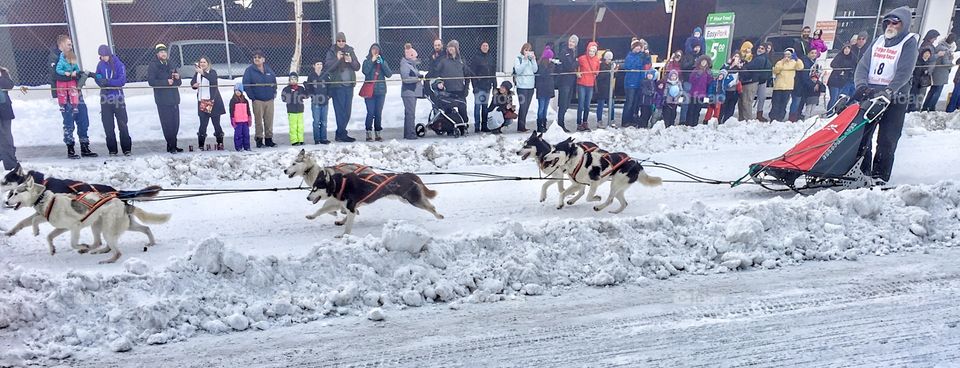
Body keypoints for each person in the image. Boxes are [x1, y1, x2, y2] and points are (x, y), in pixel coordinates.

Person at [854, 6, 920, 185]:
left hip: (896, 97)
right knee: (862, 136)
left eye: (895, 23)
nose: (890, 26)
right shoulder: (878, 41)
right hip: (872, 94)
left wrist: (890, 91)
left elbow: (904, 71)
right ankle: (862, 171)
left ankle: (880, 175)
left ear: (903, 25)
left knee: (887, 139)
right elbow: (863, 65)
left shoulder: (909, 42)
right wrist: (861, 85)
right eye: (888, 22)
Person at [50, 35, 97, 159]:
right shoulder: (55, 57)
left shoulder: (71, 55)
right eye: (68, 44)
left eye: (71, 44)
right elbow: (56, 76)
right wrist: (73, 75)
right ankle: (70, 147)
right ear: (61, 45)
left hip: (76, 92)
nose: (71, 46)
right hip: (65, 95)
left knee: (83, 118)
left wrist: (81, 74)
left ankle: (84, 146)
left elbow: (75, 69)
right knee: (69, 121)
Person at [94, 45, 131, 156]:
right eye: (101, 56)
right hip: (105, 99)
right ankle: (112, 149)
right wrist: (100, 80)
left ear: (109, 54)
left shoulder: (119, 65)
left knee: (123, 124)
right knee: (108, 126)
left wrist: (108, 82)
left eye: (105, 55)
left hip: (118, 98)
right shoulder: (100, 65)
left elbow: (122, 81)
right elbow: (98, 77)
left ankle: (126, 148)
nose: (103, 58)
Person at [324, 32, 361, 142]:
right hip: (337, 86)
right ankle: (342, 134)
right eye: (339, 41)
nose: (341, 43)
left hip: (349, 85)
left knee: (347, 111)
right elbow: (328, 67)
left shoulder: (350, 50)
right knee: (340, 111)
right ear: (336, 41)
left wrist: (351, 61)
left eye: (343, 41)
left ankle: (340, 133)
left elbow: (357, 66)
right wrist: (337, 59)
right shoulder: (331, 51)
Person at [147, 43, 183, 154]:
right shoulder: (153, 65)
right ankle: (171, 144)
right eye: (161, 52)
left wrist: (178, 78)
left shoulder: (171, 64)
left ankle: (173, 144)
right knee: (167, 123)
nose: (164, 54)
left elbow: (178, 82)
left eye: (165, 52)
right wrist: (165, 82)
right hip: (162, 99)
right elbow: (151, 81)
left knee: (175, 123)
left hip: (173, 98)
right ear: (157, 54)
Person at [427, 40, 471, 127]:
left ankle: (463, 125)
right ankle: (450, 127)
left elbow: (467, 75)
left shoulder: (461, 60)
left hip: (460, 89)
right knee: (448, 110)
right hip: (448, 91)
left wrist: (466, 88)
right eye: (449, 47)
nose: (450, 48)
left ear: (456, 48)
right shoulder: (444, 60)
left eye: (452, 47)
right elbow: (436, 73)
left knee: (462, 108)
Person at [242, 50, 278, 148]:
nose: (257, 59)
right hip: (257, 100)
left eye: (259, 57)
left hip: (269, 100)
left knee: (269, 120)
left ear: (263, 59)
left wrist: (274, 92)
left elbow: (274, 82)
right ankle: (259, 139)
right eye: (255, 57)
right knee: (259, 121)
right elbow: (246, 85)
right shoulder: (249, 70)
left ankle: (269, 139)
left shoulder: (268, 69)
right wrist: (252, 98)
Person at [190, 56, 226, 151]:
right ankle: (201, 145)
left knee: (216, 124)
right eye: (201, 62)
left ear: (208, 63)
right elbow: (193, 82)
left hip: (213, 101)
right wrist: (194, 85)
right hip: (203, 101)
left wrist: (203, 73)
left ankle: (220, 142)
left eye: (204, 62)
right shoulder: (197, 73)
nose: (202, 64)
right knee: (203, 124)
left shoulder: (212, 72)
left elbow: (213, 80)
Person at [360, 43, 393, 142]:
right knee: (370, 112)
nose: (375, 52)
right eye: (373, 50)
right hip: (369, 91)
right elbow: (365, 71)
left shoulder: (382, 62)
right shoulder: (366, 62)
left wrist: (382, 63)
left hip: (381, 91)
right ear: (370, 51)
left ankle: (378, 133)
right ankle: (368, 132)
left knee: (378, 113)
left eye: (376, 50)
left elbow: (389, 74)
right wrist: (372, 61)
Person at [922, 33, 956, 111]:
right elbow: (945, 63)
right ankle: (931, 107)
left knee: (932, 90)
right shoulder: (945, 49)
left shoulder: (938, 46)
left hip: (935, 72)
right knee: (937, 92)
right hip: (942, 74)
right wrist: (951, 62)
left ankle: (925, 106)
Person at [623, 39, 652, 127]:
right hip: (630, 82)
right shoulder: (629, 56)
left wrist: (647, 55)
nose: (638, 49)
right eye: (636, 47)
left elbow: (648, 63)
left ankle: (633, 119)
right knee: (629, 102)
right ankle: (625, 120)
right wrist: (639, 59)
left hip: (639, 82)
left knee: (636, 103)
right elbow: (628, 66)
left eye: (639, 47)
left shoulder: (642, 56)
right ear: (633, 48)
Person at [769, 47, 803, 122]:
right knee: (775, 103)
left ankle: (780, 117)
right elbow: (776, 71)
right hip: (778, 86)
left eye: (789, 54)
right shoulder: (779, 62)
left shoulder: (794, 63)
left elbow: (800, 67)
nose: (787, 56)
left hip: (788, 86)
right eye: (786, 54)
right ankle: (773, 117)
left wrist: (797, 59)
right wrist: (783, 62)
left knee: (783, 103)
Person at [556, 35, 579, 131]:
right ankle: (560, 124)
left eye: (573, 42)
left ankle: (561, 122)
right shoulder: (564, 52)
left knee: (566, 104)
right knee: (563, 103)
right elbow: (569, 66)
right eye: (570, 41)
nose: (571, 43)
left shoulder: (573, 52)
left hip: (570, 80)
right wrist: (576, 62)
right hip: (564, 81)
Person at [471, 41, 497, 132]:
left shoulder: (491, 58)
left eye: (487, 45)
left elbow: (493, 73)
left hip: (487, 86)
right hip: (479, 86)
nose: (485, 47)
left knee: (485, 107)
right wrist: (475, 86)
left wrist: (495, 86)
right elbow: (472, 74)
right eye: (483, 45)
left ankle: (484, 126)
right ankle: (477, 126)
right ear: (480, 47)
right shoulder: (476, 58)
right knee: (478, 106)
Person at [399, 44, 423, 140]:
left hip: (412, 91)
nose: (416, 58)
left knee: (409, 113)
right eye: (415, 56)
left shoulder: (410, 65)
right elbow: (405, 79)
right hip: (409, 91)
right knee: (410, 114)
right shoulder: (405, 65)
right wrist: (417, 79)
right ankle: (411, 134)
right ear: (410, 56)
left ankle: (408, 133)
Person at [575, 41, 600, 131]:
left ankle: (585, 122)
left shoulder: (597, 60)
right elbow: (575, 66)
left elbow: (597, 69)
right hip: (582, 83)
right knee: (581, 105)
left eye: (593, 51)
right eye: (590, 51)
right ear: (587, 50)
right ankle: (578, 123)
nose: (591, 53)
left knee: (587, 105)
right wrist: (577, 73)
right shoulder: (582, 58)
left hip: (590, 84)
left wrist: (596, 73)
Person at [304, 61, 330, 144]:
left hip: (325, 101)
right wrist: (311, 94)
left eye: (321, 64)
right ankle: (317, 139)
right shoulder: (311, 76)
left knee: (324, 121)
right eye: (317, 64)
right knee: (316, 121)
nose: (319, 66)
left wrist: (328, 96)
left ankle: (324, 138)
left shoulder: (325, 75)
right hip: (315, 102)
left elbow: (329, 87)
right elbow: (309, 89)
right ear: (314, 65)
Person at [512, 43, 537, 133]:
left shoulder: (530, 60)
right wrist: (525, 60)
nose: (527, 52)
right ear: (522, 50)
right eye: (526, 50)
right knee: (523, 106)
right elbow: (518, 70)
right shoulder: (518, 59)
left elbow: (535, 70)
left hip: (530, 86)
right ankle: (521, 126)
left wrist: (533, 60)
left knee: (527, 106)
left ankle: (523, 124)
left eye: (529, 50)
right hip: (522, 86)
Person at [789, 49, 818, 122]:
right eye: (812, 53)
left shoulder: (812, 62)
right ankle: (793, 116)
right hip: (799, 84)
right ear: (808, 53)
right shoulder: (805, 61)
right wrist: (812, 84)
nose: (814, 55)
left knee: (801, 101)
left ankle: (798, 114)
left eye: (815, 53)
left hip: (804, 85)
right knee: (796, 101)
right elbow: (804, 76)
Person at [281, 72, 308, 145]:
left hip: (300, 110)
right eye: (291, 79)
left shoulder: (300, 88)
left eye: (295, 79)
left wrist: (307, 87)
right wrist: (292, 94)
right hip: (291, 110)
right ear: (289, 80)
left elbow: (306, 96)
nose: (293, 80)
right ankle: (294, 140)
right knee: (293, 126)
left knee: (300, 126)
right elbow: (284, 99)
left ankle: (300, 139)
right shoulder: (286, 89)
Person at [534, 46, 557, 133]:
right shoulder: (541, 65)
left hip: (548, 89)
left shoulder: (550, 65)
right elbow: (544, 75)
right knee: (541, 108)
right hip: (542, 88)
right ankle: (540, 125)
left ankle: (544, 124)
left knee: (545, 108)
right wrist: (551, 66)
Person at [827, 45, 857, 109]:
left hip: (843, 81)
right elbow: (832, 64)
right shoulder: (839, 56)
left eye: (848, 48)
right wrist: (840, 71)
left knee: (838, 99)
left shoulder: (852, 57)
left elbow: (855, 65)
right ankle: (829, 113)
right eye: (845, 48)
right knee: (834, 98)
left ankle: (834, 112)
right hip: (834, 81)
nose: (846, 50)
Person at [0, 66, 19, 169]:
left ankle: (10, 163)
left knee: (6, 135)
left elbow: (9, 85)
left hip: (4, 108)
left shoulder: (3, 72)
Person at [685, 55, 712, 126]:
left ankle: (695, 124)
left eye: (705, 62)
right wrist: (697, 75)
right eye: (702, 61)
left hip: (701, 94)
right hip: (693, 93)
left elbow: (709, 83)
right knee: (691, 110)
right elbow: (691, 80)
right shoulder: (695, 70)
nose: (703, 63)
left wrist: (710, 76)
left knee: (697, 110)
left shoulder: (707, 72)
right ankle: (689, 124)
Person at [752, 43, 774, 121]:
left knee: (762, 97)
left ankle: (759, 114)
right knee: (751, 98)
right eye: (766, 48)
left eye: (769, 48)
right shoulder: (756, 57)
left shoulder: (769, 58)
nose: (767, 49)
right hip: (754, 80)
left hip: (763, 80)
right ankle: (748, 114)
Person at [595, 50, 617, 127]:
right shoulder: (601, 65)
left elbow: (614, 77)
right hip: (602, 88)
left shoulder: (612, 65)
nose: (609, 60)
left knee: (612, 105)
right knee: (600, 105)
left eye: (610, 59)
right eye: (607, 59)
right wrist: (609, 72)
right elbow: (600, 77)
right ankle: (599, 120)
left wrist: (614, 71)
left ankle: (612, 119)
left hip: (610, 88)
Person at [909, 48, 935, 112]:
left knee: (919, 96)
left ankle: (916, 109)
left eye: (928, 54)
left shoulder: (928, 62)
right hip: (915, 81)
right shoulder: (918, 61)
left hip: (923, 83)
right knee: (913, 95)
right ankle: (910, 109)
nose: (927, 55)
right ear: (922, 53)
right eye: (926, 53)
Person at [720, 55, 742, 124]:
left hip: (735, 91)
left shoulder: (740, 67)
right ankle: (719, 120)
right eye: (735, 56)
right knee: (722, 107)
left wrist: (740, 67)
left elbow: (745, 75)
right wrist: (730, 65)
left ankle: (726, 122)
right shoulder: (726, 66)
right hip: (726, 91)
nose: (736, 58)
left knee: (731, 108)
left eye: (738, 57)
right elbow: (721, 72)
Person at [229, 83, 252, 151]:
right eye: (236, 90)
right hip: (237, 121)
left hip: (245, 121)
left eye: (239, 91)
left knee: (246, 134)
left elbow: (248, 110)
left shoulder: (245, 100)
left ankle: (247, 146)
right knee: (238, 135)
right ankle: (238, 147)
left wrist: (249, 118)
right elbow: (231, 111)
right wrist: (232, 119)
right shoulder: (233, 101)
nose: (237, 92)